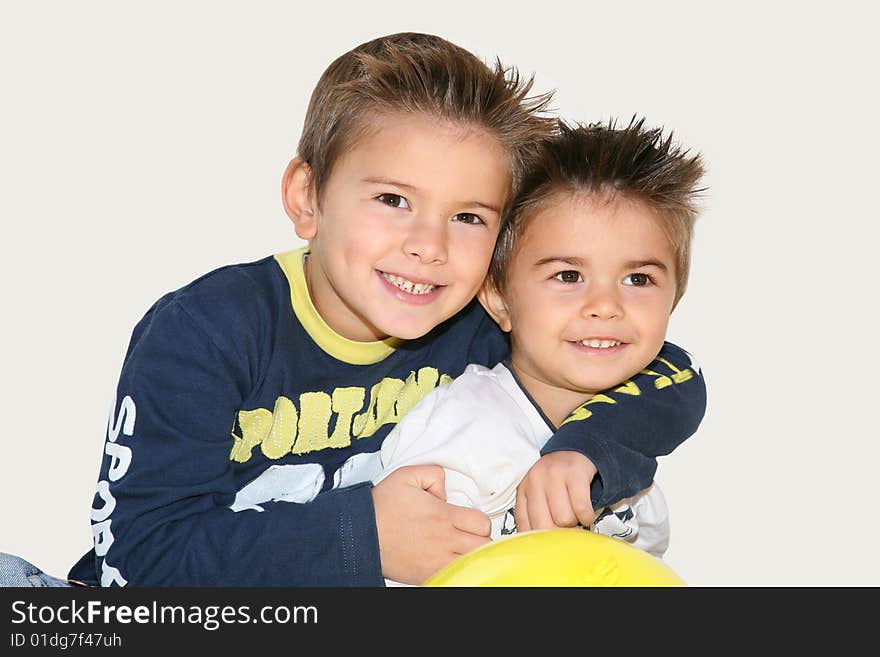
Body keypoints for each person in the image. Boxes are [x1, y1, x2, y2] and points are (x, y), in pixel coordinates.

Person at [1, 33, 705, 588]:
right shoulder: (207, 332)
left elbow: (666, 370)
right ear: (307, 197)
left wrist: (586, 448)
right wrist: (363, 539)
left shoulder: (475, 324)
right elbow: (139, 561)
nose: (427, 245)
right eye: (393, 200)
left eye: (467, 215)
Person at [338, 118, 705, 585]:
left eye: (639, 280)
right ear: (499, 299)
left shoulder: (631, 447)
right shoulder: (463, 430)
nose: (606, 307)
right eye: (568, 276)